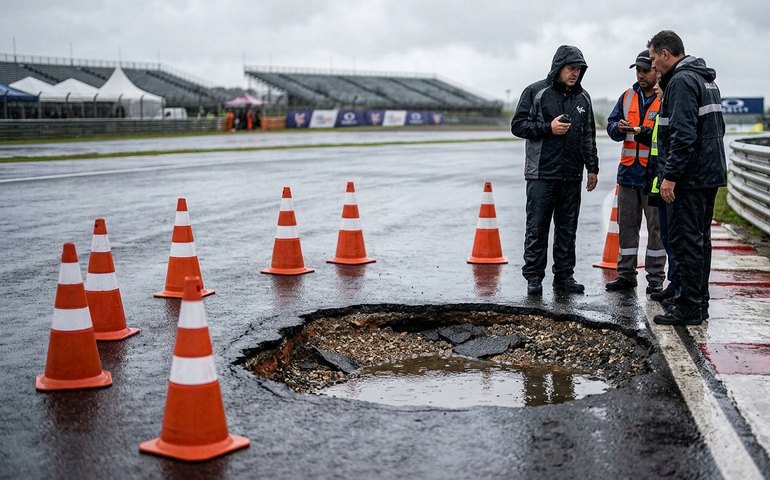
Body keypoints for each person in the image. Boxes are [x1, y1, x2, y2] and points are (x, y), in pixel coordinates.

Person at [647, 30, 727, 326]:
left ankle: (688, 307)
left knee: (686, 242)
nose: (653, 66)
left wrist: (670, 177)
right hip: (709, 173)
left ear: (666, 54)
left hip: (690, 178)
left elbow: (682, 136)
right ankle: (698, 301)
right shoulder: (705, 79)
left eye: (654, 58)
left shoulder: (681, 81)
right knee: (700, 241)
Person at [512, 45, 600, 296]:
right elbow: (518, 125)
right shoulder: (536, 91)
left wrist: (592, 167)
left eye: (579, 69)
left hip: (572, 175)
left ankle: (564, 276)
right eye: (571, 68)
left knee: (567, 228)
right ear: (559, 67)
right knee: (537, 227)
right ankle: (534, 277)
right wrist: (547, 128)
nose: (575, 73)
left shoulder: (584, 98)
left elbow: (588, 135)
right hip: (541, 173)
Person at [605, 51, 666, 293]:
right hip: (629, 175)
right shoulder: (627, 96)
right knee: (627, 228)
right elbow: (611, 125)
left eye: (645, 70)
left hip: (653, 176)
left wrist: (642, 131)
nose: (641, 74)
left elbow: (667, 132)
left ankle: (655, 280)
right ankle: (626, 275)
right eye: (637, 70)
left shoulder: (665, 97)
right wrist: (617, 128)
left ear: (656, 71)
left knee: (656, 230)